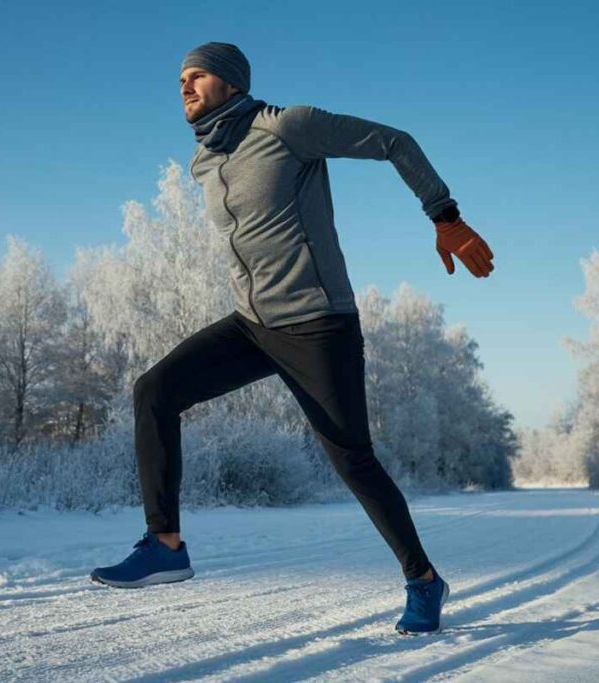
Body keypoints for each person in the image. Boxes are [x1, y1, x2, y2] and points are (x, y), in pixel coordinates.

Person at [91, 41, 495, 635]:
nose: (184, 85)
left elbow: (394, 142)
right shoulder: (204, 160)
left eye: (196, 75)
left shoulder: (288, 128)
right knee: (154, 390)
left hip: (318, 323)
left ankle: (424, 581)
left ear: (230, 82)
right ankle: (165, 545)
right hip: (252, 326)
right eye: (179, 77)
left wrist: (445, 215)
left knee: (352, 460)